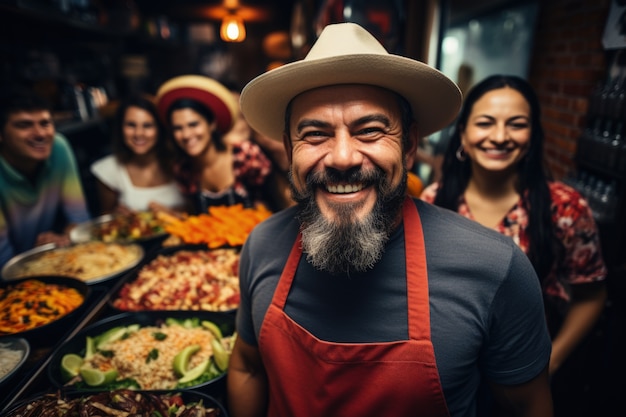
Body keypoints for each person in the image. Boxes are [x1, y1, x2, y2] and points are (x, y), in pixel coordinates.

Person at [227, 23, 553, 417]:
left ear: (410, 145)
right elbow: (246, 365)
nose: (343, 157)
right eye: (315, 134)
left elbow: (526, 406)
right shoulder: (261, 245)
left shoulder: (496, 269)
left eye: (370, 131)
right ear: (288, 149)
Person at [420, 74, 608, 415]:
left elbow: (591, 294)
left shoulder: (564, 208)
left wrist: (551, 360)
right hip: (454, 379)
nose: (500, 137)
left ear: (532, 135)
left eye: (516, 124)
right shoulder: (434, 201)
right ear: (463, 133)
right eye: (485, 123)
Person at [155, 75, 275, 214]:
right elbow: (195, 219)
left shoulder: (245, 155)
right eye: (178, 128)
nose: (186, 135)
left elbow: (275, 204)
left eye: (193, 124)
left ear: (211, 124)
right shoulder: (183, 170)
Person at [0, 87, 90, 266]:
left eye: (45, 123)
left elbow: (81, 223)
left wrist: (64, 238)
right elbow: (2, 260)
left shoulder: (58, 147)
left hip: (47, 262)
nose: (41, 134)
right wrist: (38, 255)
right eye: (24, 125)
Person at [90, 95, 185, 214]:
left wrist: (172, 214)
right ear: (120, 128)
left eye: (147, 126)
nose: (139, 133)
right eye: (131, 125)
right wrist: (117, 217)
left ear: (160, 129)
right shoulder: (108, 171)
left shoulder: (181, 164)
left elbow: (198, 212)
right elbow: (104, 219)